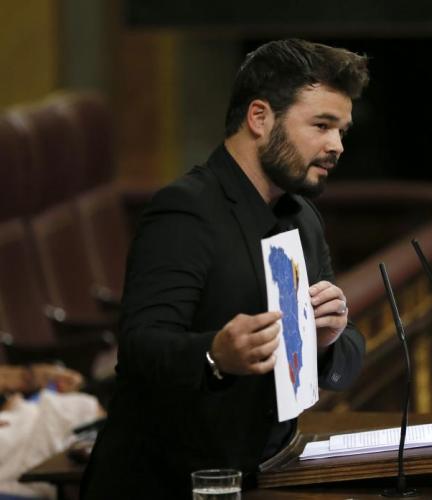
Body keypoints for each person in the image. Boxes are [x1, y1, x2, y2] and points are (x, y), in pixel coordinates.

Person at [80, 39, 369, 499]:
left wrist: (327, 342)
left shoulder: (303, 216)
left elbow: (349, 352)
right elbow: (140, 349)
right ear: (259, 118)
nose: (336, 146)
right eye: (321, 125)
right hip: (164, 485)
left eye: (342, 131)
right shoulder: (185, 210)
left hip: (266, 472)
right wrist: (215, 355)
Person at [0, 363, 102, 498]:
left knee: (81, 405)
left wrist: (53, 374)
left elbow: (20, 376)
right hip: (15, 430)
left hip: (22, 413)